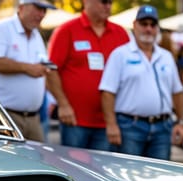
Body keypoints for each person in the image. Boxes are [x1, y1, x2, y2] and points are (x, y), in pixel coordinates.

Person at [99, 5, 183, 160]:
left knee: (159, 176)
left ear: (157, 28)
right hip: (130, 127)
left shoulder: (166, 56)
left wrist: (180, 122)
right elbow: (107, 92)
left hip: (162, 128)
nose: (148, 29)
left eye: (152, 25)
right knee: (128, 176)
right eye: (144, 24)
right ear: (135, 25)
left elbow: (177, 91)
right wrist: (111, 124)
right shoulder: (120, 54)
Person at [45, 0, 129, 150]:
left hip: (109, 122)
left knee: (101, 171)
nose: (108, 6)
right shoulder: (67, 30)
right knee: (74, 170)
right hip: (75, 120)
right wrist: (63, 105)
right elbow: (51, 70)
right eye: (103, 2)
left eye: (110, 2)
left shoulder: (120, 33)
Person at [0, 0, 55, 142]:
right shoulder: (2, 29)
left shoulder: (36, 35)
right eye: (38, 8)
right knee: (8, 162)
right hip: (6, 116)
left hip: (33, 117)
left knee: (37, 161)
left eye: (44, 10)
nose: (42, 14)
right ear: (22, 8)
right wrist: (29, 68)